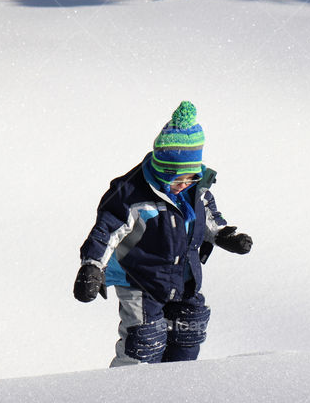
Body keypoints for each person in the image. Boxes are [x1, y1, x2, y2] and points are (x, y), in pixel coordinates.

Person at [74, 101, 252, 366]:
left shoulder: (195, 188)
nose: (182, 185)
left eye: (190, 177)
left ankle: (176, 385)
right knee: (145, 338)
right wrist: (92, 266)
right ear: (159, 166)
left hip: (184, 277)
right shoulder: (130, 193)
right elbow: (106, 230)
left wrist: (223, 234)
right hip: (140, 279)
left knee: (188, 330)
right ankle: (126, 393)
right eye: (174, 177)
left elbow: (209, 215)